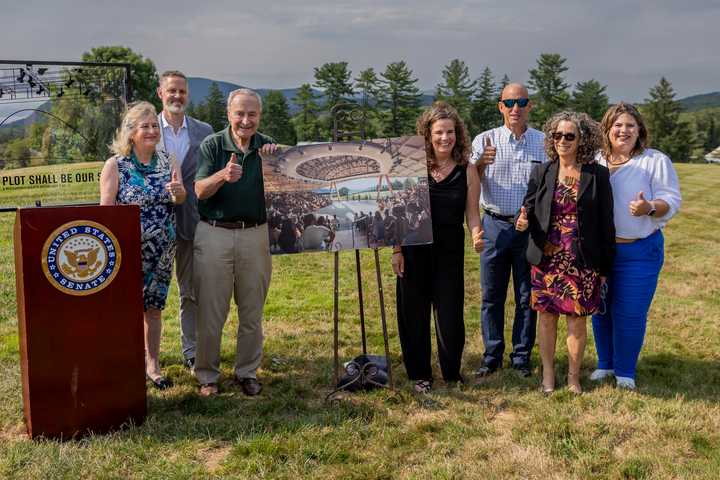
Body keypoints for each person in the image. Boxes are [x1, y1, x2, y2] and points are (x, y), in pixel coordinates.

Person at [515, 111, 615, 394]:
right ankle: (547, 374)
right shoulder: (542, 171)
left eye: (569, 136)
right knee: (546, 318)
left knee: (577, 319)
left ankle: (573, 377)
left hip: (582, 259)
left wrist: (605, 268)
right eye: (557, 135)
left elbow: (607, 224)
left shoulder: (597, 174)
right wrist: (521, 221)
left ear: (582, 139)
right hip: (546, 258)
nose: (562, 140)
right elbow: (528, 209)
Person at [392, 101, 483, 394]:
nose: (446, 138)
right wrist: (396, 250)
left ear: (458, 134)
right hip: (413, 248)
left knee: (450, 313)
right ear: (427, 136)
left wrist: (477, 234)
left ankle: (452, 373)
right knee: (413, 312)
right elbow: (398, 212)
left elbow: (472, 213)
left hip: (449, 250)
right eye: (439, 132)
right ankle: (420, 374)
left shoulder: (467, 170)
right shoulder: (411, 168)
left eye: (451, 132)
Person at [590, 102, 682, 390]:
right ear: (607, 129)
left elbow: (672, 199)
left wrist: (649, 207)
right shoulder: (595, 160)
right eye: (617, 125)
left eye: (630, 125)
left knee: (629, 312)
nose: (624, 130)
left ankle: (625, 371)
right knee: (600, 309)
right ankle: (604, 364)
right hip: (600, 252)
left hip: (639, 252)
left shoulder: (655, 160)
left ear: (639, 130)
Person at [193, 88, 277, 397]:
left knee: (252, 310)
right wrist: (222, 176)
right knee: (211, 310)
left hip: (256, 233)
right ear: (229, 115)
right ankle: (207, 376)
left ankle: (247, 372)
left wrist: (276, 160)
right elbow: (199, 190)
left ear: (259, 116)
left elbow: (295, 174)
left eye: (252, 114)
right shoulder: (213, 145)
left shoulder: (268, 147)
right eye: (239, 114)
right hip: (215, 232)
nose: (245, 120)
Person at [100, 101, 186, 390]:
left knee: (153, 308)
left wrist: (178, 192)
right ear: (131, 132)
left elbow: (180, 198)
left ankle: (153, 364)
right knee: (126, 308)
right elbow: (106, 211)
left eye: (153, 126)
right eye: (144, 126)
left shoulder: (169, 160)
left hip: (163, 248)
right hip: (127, 249)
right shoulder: (116, 165)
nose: (151, 131)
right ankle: (124, 362)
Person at [470, 83, 548, 378]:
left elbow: (548, 185)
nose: (516, 108)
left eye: (522, 101)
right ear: (500, 106)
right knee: (492, 295)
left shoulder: (542, 142)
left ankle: (521, 356)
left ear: (530, 106)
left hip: (528, 227)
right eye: (510, 102)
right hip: (494, 225)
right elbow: (471, 182)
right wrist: (479, 164)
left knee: (526, 296)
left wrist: (532, 214)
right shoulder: (485, 140)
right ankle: (491, 355)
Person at [156, 70, 213, 370]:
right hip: (153, 223)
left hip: (192, 221)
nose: (177, 96)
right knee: (147, 295)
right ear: (160, 93)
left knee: (191, 291)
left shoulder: (203, 130)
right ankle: (146, 357)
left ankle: (192, 351)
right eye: (171, 91)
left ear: (188, 95)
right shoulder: (146, 128)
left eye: (182, 92)